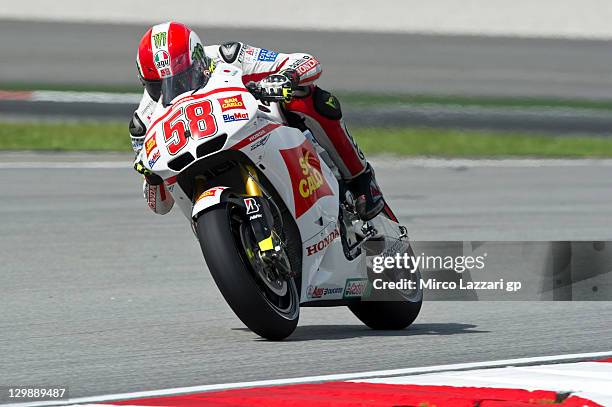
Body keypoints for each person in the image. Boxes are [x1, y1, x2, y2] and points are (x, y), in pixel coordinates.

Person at [131, 21, 385, 220]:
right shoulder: (143, 122)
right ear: (145, 83)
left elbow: (307, 62)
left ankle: (361, 178)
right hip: (199, 170)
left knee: (308, 98)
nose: (174, 90)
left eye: (182, 78)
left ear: (198, 61)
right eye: (158, 87)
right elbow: (160, 206)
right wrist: (152, 179)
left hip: (250, 129)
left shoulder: (228, 56)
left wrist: (287, 77)